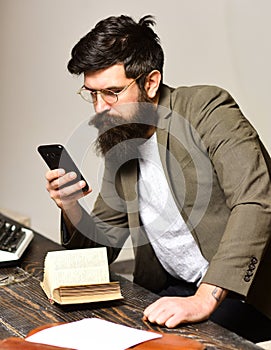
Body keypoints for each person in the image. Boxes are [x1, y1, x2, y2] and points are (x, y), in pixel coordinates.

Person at [45, 15, 271, 342]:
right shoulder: (122, 141)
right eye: (92, 93)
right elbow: (101, 250)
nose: (99, 109)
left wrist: (203, 298)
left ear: (150, 83)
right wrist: (70, 206)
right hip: (173, 289)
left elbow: (255, 201)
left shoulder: (207, 108)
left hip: (243, 294)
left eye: (112, 92)